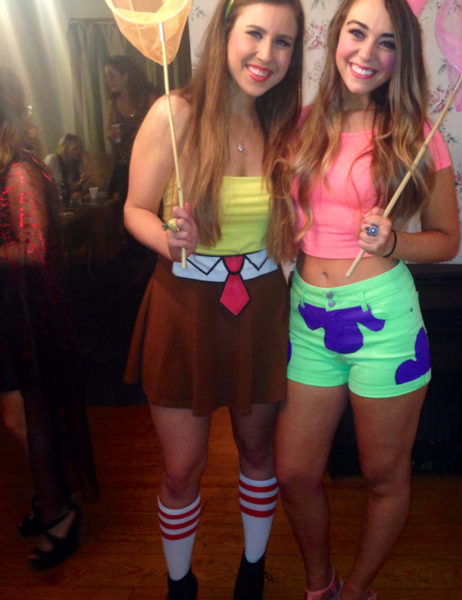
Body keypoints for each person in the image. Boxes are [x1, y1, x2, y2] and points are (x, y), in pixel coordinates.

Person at [274, 0, 461, 598]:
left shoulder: (418, 135)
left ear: (402, 57)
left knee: (383, 474)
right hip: (307, 317)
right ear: (336, 36)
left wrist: (395, 241)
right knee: (294, 472)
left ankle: (356, 590)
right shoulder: (300, 125)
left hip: (385, 323)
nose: (367, 52)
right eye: (357, 32)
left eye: (387, 42)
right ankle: (319, 585)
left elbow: (447, 240)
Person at [122, 1, 304, 598]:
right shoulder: (173, 113)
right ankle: (181, 584)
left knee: (257, 451)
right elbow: (134, 209)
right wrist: (168, 240)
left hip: (261, 307)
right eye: (254, 33)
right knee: (181, 469)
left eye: (283, 41)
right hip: (184, 307)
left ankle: (252, 571)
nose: (266, 54)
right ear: (224, 32)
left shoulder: (286, 127)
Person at [0, 67, 98, 570]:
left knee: (27, 419)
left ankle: (60, 513)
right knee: (21, 417)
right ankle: (49, 498)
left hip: (22, 316)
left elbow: (34, 249)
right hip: (11, 309)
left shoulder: (18, 170)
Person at [104, 55, 158, 203]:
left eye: (112, 75)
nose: (108, 80)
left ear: (126, 76)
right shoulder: (113, 103)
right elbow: (109, 129)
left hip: (149, 162)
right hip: (125, 163)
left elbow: (160, 129)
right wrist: (111, 134)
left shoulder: (147, 97)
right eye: (106, 76)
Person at [43, 133, 88, 202]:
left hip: (69, 197)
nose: (79, 151)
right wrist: (80, 182)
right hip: (53, 198)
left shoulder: (77, 161)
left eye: (80, 148)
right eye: (75, 148)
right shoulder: (53, 160)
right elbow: (58, 188)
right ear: (65, 148)